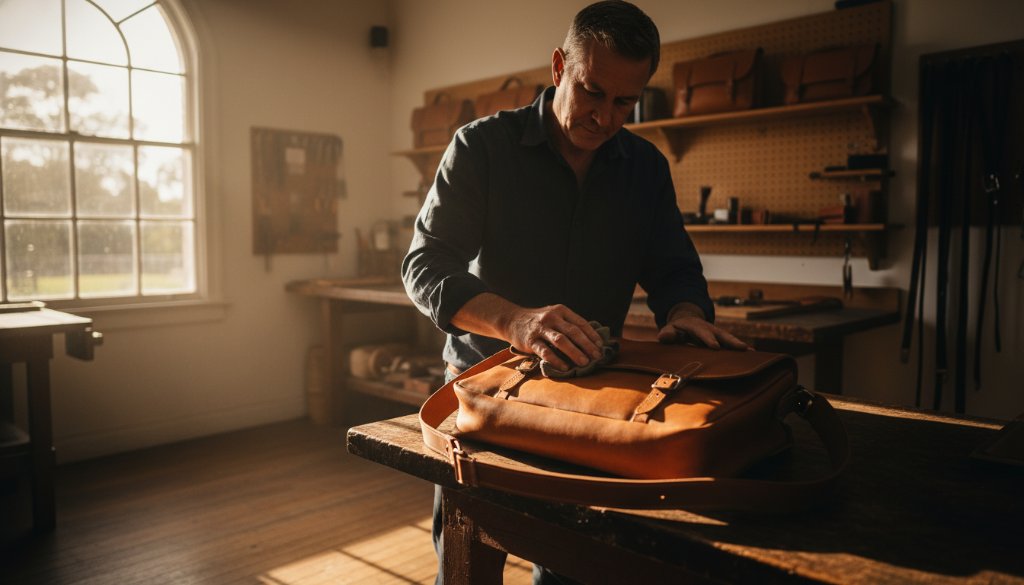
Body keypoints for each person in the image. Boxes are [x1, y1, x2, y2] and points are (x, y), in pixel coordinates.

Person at [402, 2, 747, 582]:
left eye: (624, 103)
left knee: (573, 565)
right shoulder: (481, 148)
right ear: (560, 66)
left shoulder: (645, 168)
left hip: (592, 406)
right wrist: (515, 323)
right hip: (485, 401)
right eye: (592, 92)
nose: (604, 117)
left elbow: (674, 269)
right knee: (468, 568)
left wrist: (685, 313)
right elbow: (425, 265)